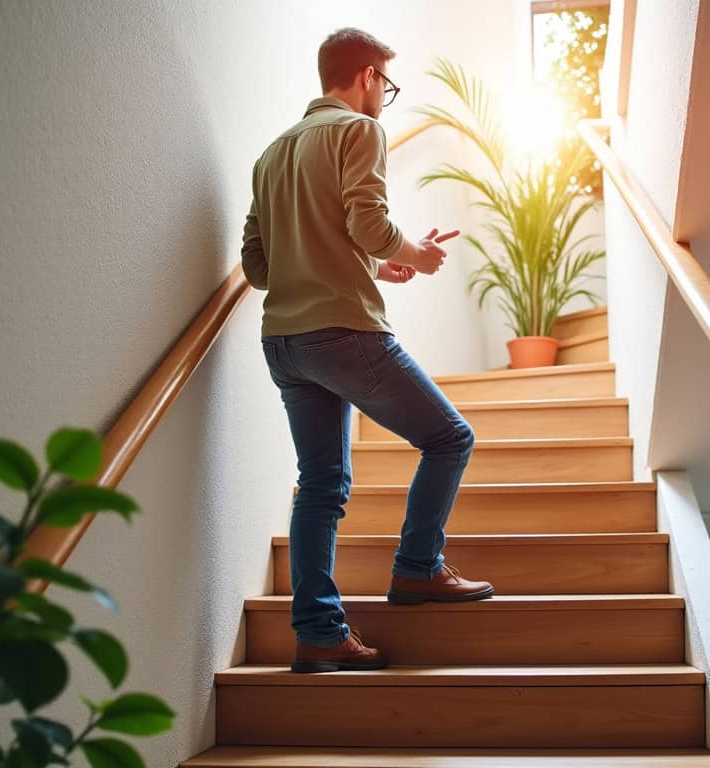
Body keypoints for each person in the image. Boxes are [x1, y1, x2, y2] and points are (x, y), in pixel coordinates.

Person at [240, 27, 495, 674]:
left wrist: (377, 268)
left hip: (284, 342)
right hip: (345, 333)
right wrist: (417, 254)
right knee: (450, 439)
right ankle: (418, 567)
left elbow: (260, 267)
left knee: (320, 486)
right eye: (387, 82)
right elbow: (369, 224)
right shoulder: (359, 130)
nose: (385, 96)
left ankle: (319, 634)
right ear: (367, 77)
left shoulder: (270, 155)